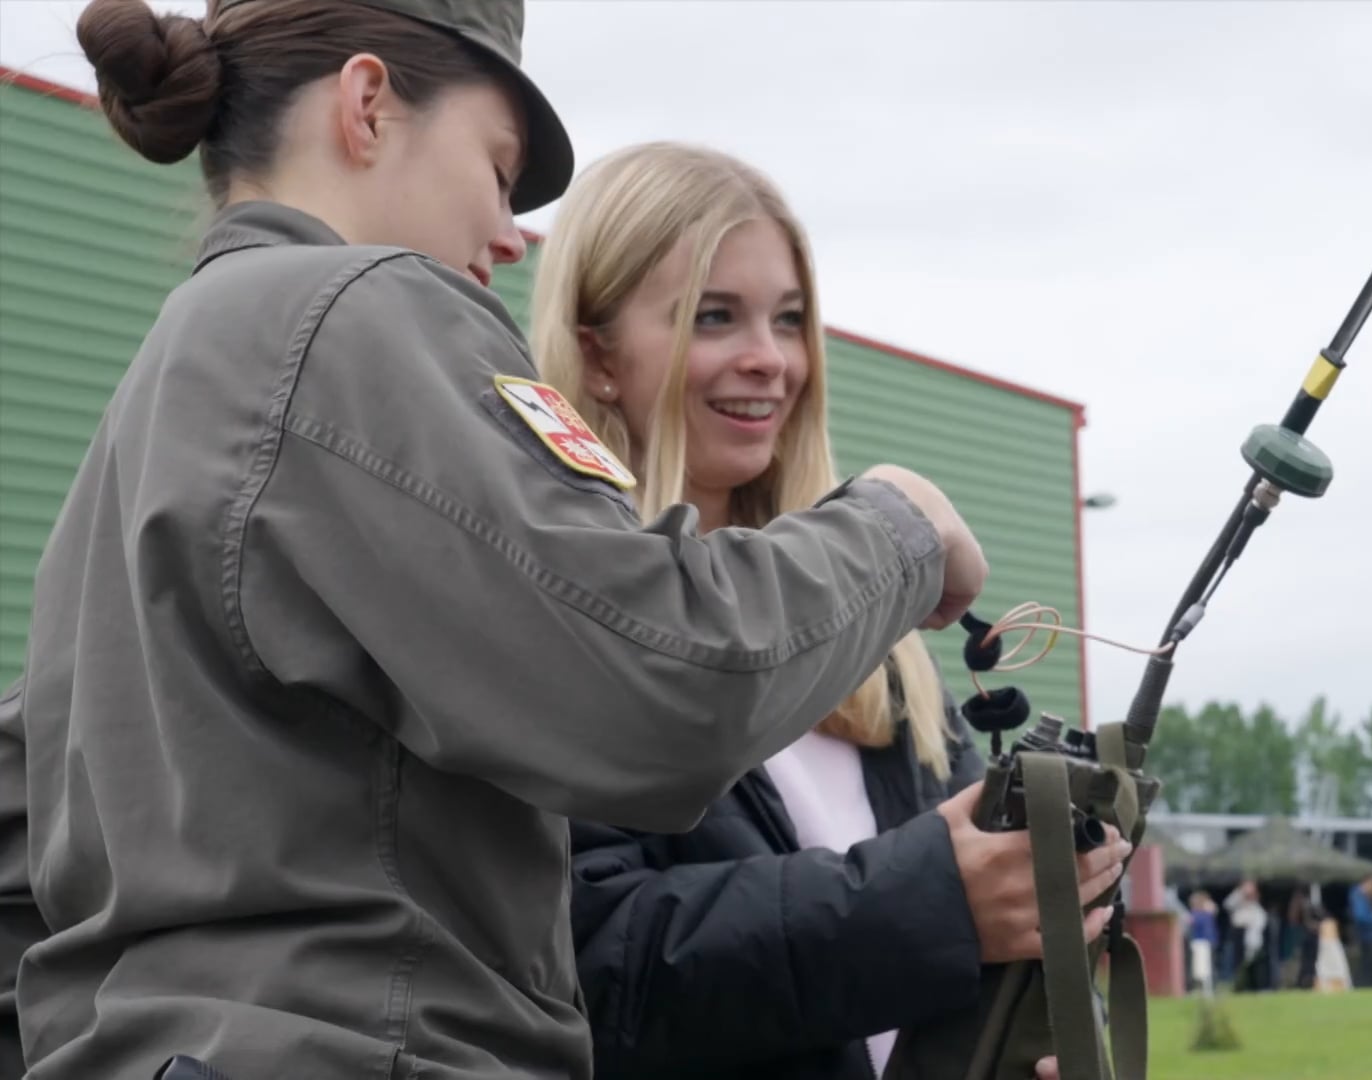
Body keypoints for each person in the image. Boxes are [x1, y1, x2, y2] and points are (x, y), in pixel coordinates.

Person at [0, 2, 991, 1077]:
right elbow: (660, 679)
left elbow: (23, 844)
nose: (508, 235)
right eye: (496, 164)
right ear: (368, 105)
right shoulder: (352, 306)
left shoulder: (162, 398)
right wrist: (898, 524)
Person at [536, 142, 1125, 1080]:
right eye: (714, 316)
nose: (769, 360)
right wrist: (933, 898)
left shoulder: (881, 638)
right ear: (599, 351)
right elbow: (590, 964)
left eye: (791, 320)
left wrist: (1032, 1034)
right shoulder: (551, 615)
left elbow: (980, 942)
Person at [1348, 874, 1372, 988]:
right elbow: (1360, 916)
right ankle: (1369, 984)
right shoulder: (1358, 896)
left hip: (1367, 934)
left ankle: (1370, 984)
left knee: (1369, 961)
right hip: (1366, 935)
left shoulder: (1361, 896)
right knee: (1369, 962)